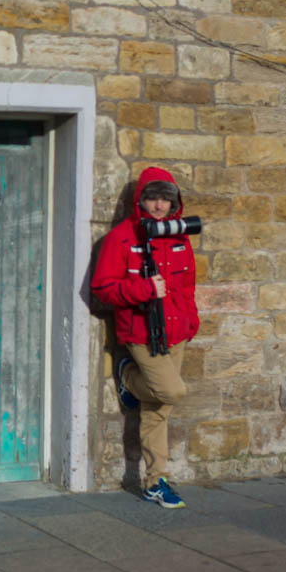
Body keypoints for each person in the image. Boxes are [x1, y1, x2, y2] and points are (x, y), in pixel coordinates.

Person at [91, 166, 199, 509]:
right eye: (152, 198)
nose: (158, 205)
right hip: (141, 332)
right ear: (141, 199)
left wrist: (191, 321)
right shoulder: (121, 238)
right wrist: (143, 289)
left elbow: (187, 286)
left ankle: (155, 481)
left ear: (174, 202)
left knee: (157, 410)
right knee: (172, 390)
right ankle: (127, 375)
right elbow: (102, 289)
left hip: (176, 331)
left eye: (165, 199)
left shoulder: (178, 236)